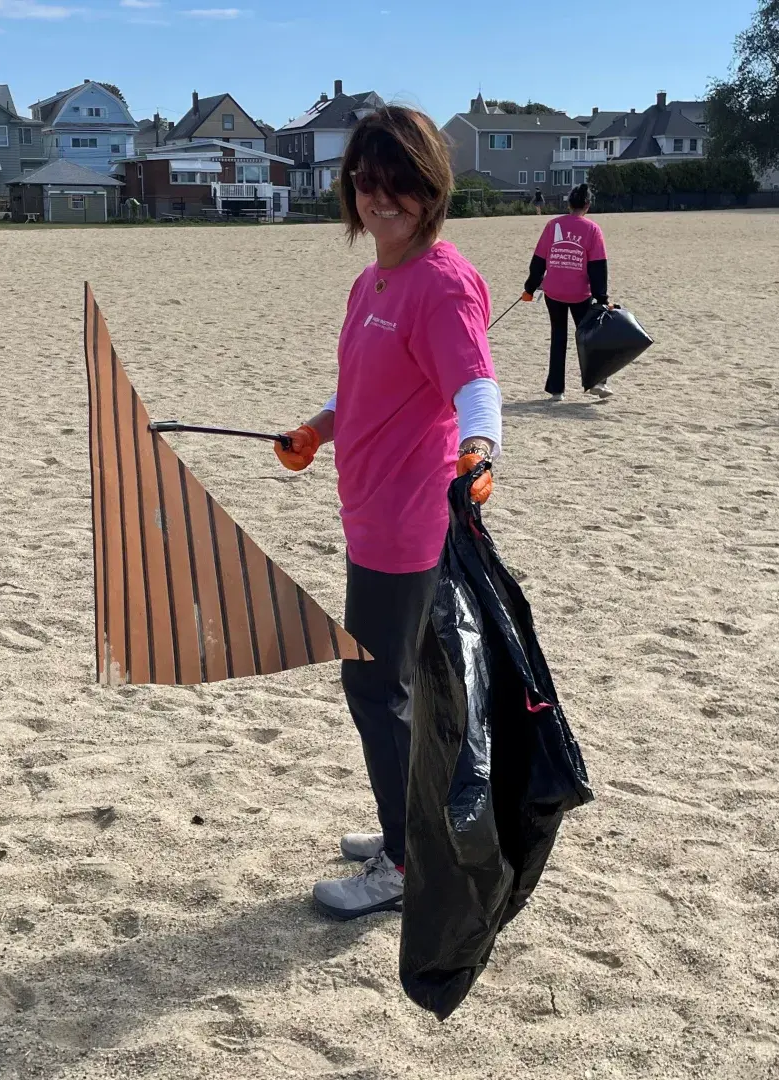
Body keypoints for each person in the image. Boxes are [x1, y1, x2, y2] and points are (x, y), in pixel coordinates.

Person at [274, 105, 503, 920]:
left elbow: (475, 385)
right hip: (367, 511)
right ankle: (408, 829)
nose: (383, 201)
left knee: (376, 690)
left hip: (407, 524)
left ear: (430, 189)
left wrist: (482, 452)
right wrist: (318, 426)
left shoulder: (440, 283)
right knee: (393, 683)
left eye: (400, 186)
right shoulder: (373, 279)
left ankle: (408, 862)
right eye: (369, 184)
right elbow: (364, 383)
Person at [523, 183, 612, 402]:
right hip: (580, 294)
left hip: (553, 292)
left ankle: (556, 390)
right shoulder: (592, 229)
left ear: (568, 204)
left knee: (558, 337)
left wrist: (530, 289)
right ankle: (596, 381)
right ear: (588, 206)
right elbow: (597, 267)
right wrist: (602, 298)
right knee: (590, 337)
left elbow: (538, 262)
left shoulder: (553, 225)